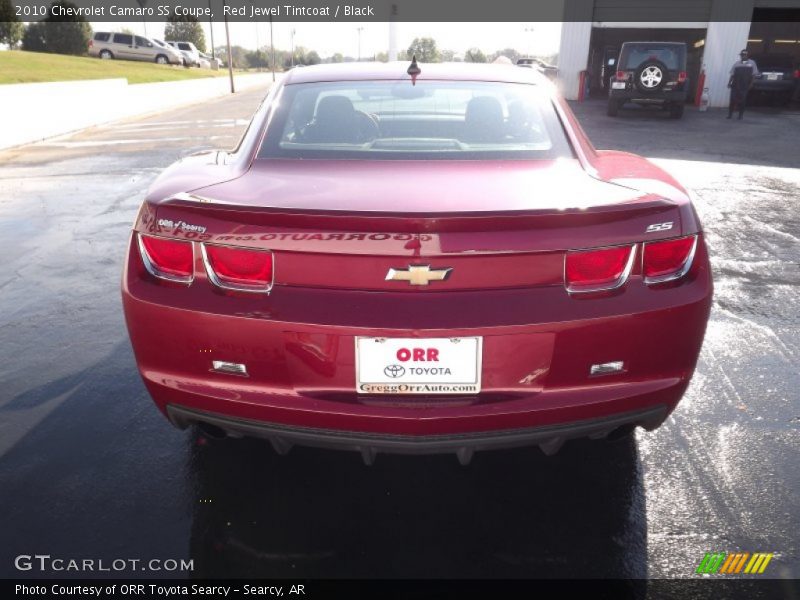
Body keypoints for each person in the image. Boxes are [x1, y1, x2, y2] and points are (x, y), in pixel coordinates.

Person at [727, 49, 759, 120]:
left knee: (743, 100)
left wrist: (751, 84)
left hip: (744, 85)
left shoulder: (752, 63)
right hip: (735, 84)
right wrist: (729, 83)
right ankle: (730, 114)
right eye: (742, 55)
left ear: (747, 55)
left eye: (744, 55)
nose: (743, 56)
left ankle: (740, 115)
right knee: (732, 99)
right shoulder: (736, 64)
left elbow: (754, 75)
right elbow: (732, 74)